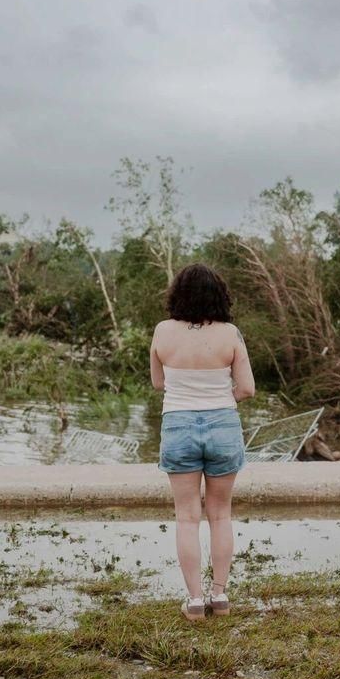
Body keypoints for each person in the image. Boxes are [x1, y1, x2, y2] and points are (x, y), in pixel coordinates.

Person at [150, 263, 255, 621]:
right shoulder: (231, 334)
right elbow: (246, 388)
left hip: (177, 424)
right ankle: (220, 597)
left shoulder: (162, 331)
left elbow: (158, 382)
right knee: (221, 515)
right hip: (223, 423)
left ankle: (195, 601)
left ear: (177, 295)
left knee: (186, 519)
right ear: (219, 296)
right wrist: (219, 397)